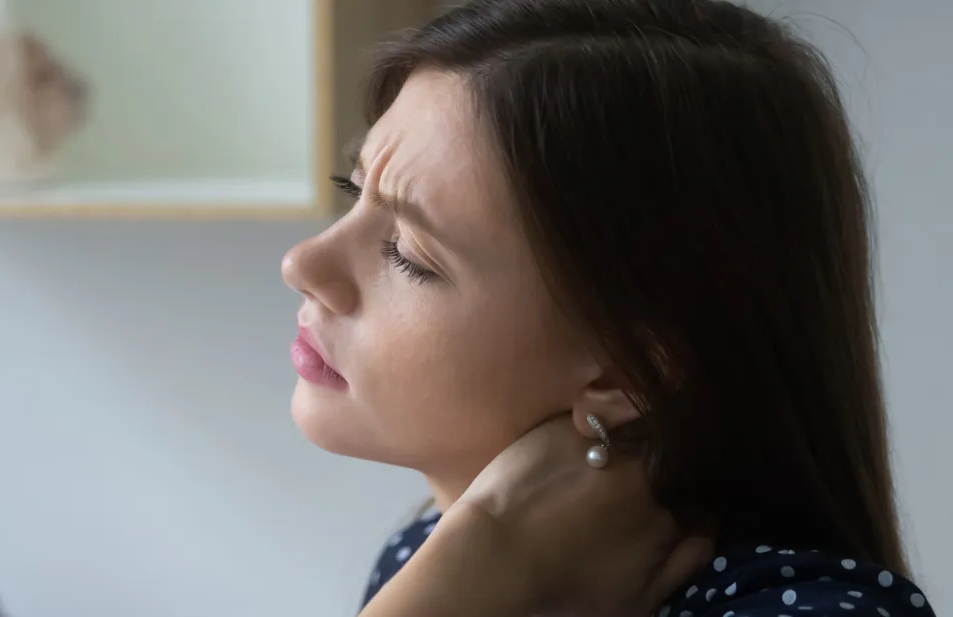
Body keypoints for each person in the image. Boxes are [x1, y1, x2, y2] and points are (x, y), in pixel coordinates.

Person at [278, 1, 939, 616]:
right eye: (353, 191)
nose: (302, 263)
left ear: (624, 370)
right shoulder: (433, 558)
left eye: (408, 252)